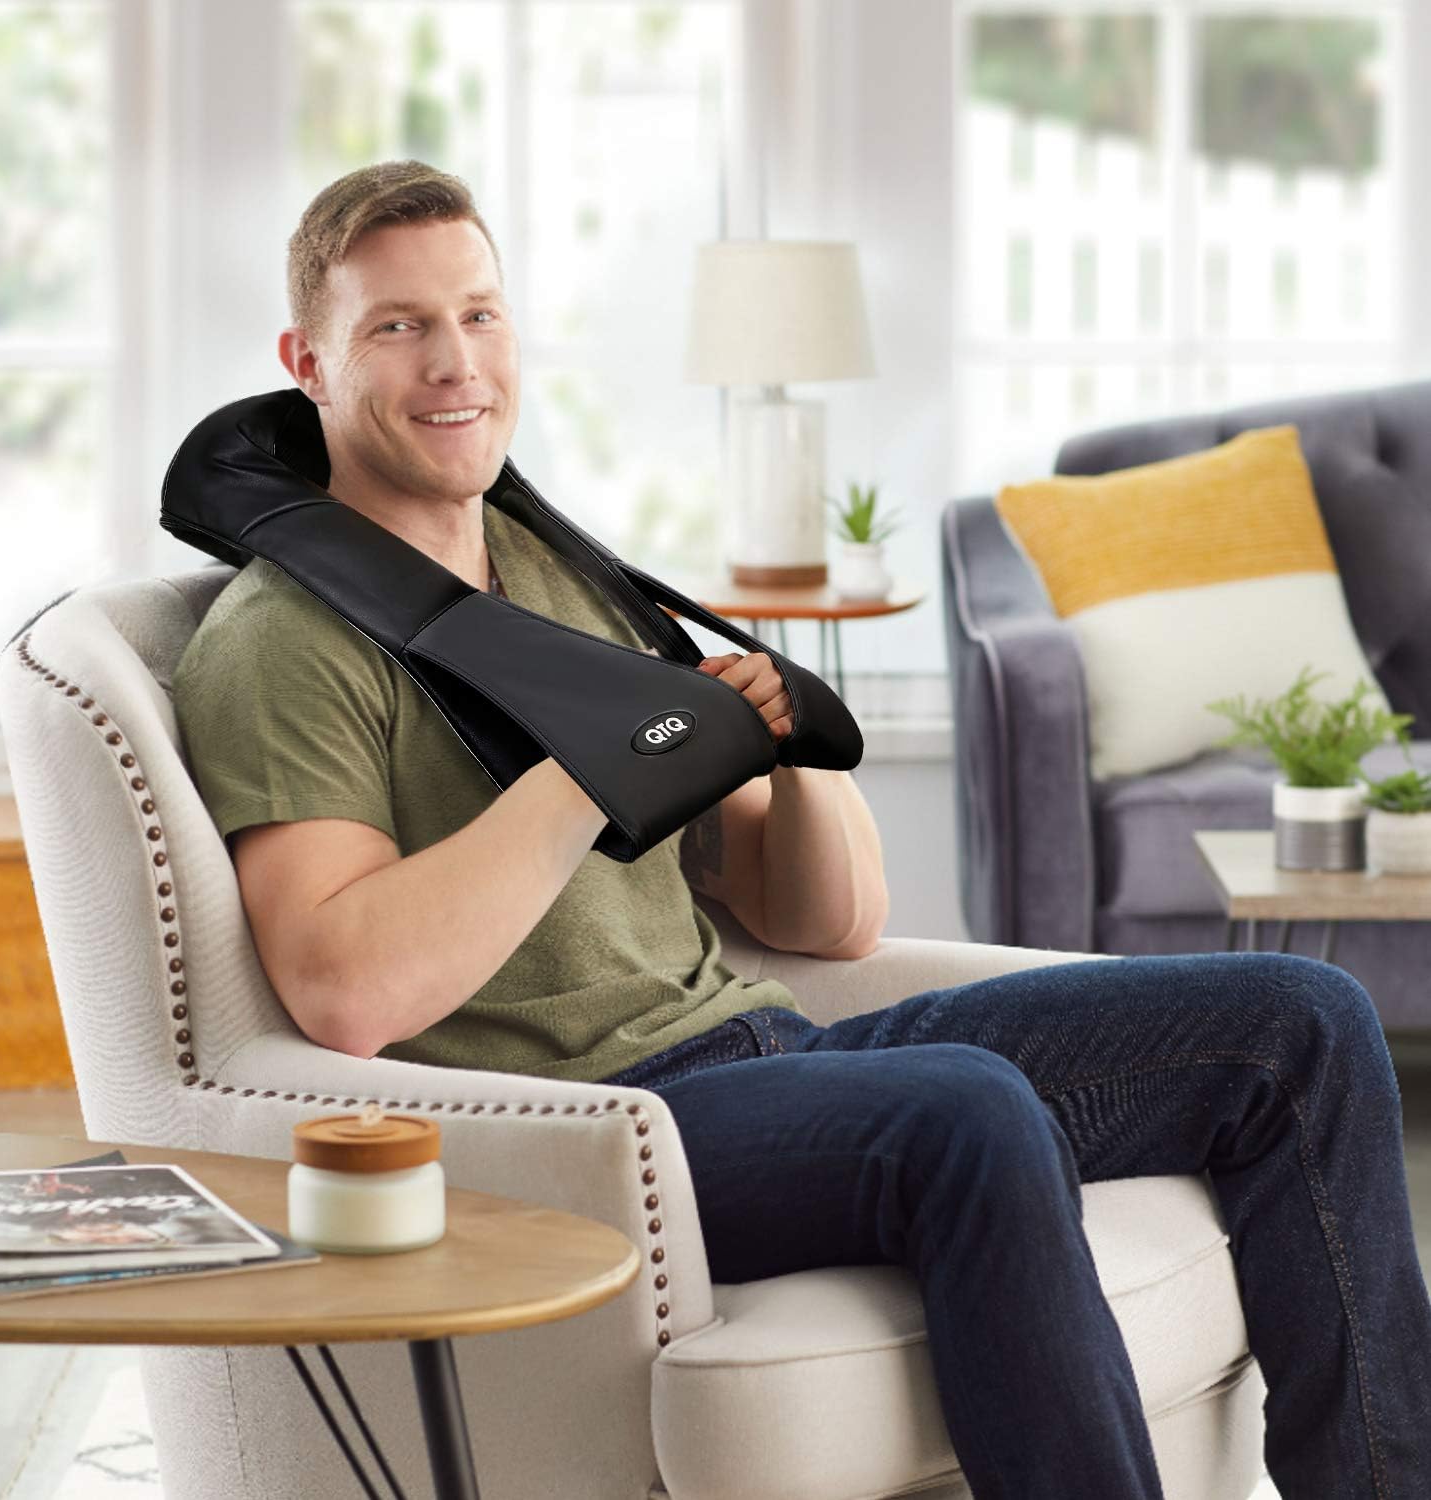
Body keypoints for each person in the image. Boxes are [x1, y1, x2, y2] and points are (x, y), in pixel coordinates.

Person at [172, 160, 1431, 1499]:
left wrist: (795, 747)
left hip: (774, 1051)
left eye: (480, 314)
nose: (455, 363)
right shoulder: (284, 642)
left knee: (1306, 1019)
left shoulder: (563, 579)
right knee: (965, 1108)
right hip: (592, 1126)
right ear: (306, 360)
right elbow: (344, 986)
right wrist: (592, 768)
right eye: (399, 326)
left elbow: (827, 922)